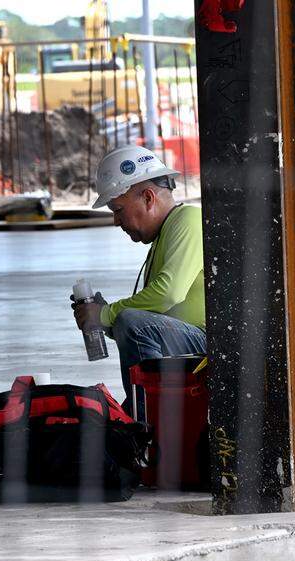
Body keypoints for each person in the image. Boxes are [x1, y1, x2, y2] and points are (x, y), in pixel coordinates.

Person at [72, 145, 205, 413]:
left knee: (131, 320)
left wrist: (108, 314)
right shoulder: (163, 237)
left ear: (147, 197)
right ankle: (140, 411)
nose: (116, 221)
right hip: (188, 343)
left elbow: (169, 294)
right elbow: (158, 317)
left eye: (118, 209)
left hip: (205, 346)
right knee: (129, 321)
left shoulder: (188, 219)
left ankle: (147, 416)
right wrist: (105, 318)